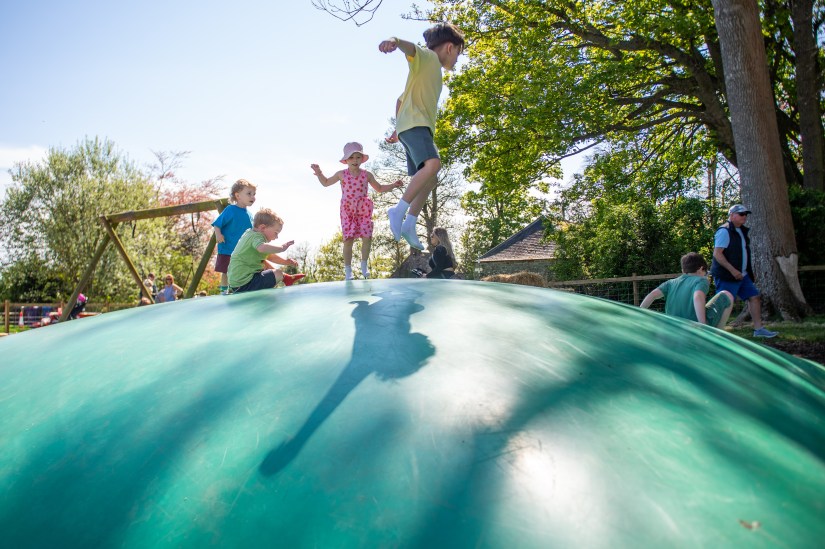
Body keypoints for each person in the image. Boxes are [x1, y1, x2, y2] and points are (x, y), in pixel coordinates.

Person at [379, 22, 465, 251]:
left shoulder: (430, 72)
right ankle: (398, 210)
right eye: (459, 52)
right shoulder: (428, 58)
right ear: (449, 48)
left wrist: (398, 129)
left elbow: (400, 99)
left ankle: (410, 222)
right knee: (433, 164)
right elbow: (412, 49)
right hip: (416, 125)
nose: (457, 58)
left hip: (414, 127)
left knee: (430, 178)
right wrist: (395, 41)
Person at [311, 142, 402, 280]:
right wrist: (319, 173)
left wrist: (393, 185)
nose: (355, 160)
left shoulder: (367, 175)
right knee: (348, 239)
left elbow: (379, 188)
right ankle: (348, 271)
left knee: (367, 236)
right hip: (348, 210)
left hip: (363, 208)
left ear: (362, 159)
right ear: (346, 160)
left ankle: (364, 265)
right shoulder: (341, 174)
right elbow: (326, 182)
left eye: (358, 157)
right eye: (351, 157)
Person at [711, 204, 779, 338]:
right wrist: (733, 271)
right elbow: (718, 254)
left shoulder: (741, 231)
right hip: (727, 275)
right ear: (732, 215)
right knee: (724, 303)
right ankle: (714, 333)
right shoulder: (724, 231)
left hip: (742, 275)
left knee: (754, 297)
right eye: (741, 214)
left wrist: (742, 272)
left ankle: (759, 330)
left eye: (745, 214)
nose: (745, 217)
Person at [640, 252, 734, 328]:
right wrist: (703, 325)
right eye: (705, 272)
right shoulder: (701, 280)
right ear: (701, 269)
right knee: (726, 295)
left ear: (683, 270)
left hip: (673, 327)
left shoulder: (671, 283)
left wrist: (639, 313)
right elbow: (697, 297)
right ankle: (716, 337)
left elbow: (652, 295)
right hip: (694, 327)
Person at [228, 208, 305, 294]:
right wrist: (281, 248)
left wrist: (285, 262)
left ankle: (287, 278)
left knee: (264, 264)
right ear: (263, 227)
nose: (277, 237)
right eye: (276, 233)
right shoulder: (257, 237)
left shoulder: (249, 234)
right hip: (246, 283)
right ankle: (285, 278)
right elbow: (262, 248)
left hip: (237, 284)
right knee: (277, 273)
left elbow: (269, 256)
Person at [212, 179, 256, 294]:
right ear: (238, 195)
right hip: (228, 248)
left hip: (242, 250)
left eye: (254, 194)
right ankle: (224, 290)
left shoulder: (250, 215)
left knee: (240, 270)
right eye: (249, 194)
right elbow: (217, 224)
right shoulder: (230, 210)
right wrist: (218, 234)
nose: (253, 197)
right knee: (226, 270)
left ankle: (237, 288)